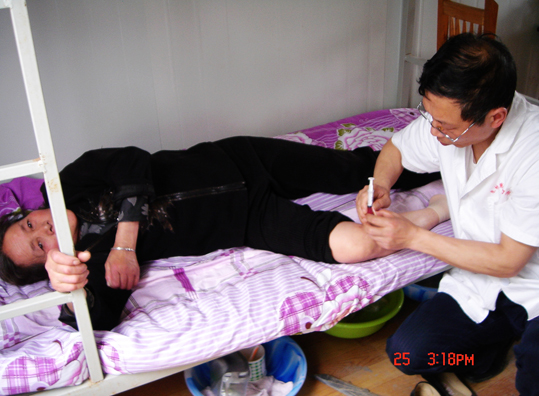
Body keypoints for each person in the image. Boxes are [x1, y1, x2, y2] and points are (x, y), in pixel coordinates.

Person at [0, 136, 442, 331]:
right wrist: (69, 288)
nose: (44, 226)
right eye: (39, 244)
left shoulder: (67, 183)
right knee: (354, 246)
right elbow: (98, 318)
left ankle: (450, 158)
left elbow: (132, 159)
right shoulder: (90, 264)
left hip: (243, 158)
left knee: (355, 170)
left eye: (28, 223)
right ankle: (436, 210)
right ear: (48, 260)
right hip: (250, 219)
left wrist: (125, 242)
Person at [356, 33, 539, 395]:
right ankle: (485, 358)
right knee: (407, 354)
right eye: (430, 117)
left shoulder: (532, 152)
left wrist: (412, 236)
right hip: (478, 281)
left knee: (533, 377)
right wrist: (380, 184)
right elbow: (396, 149)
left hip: (531, 283)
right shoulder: (446, 120)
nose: (434, 131)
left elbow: (508, 262)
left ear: (496, 117)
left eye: (446, 127)